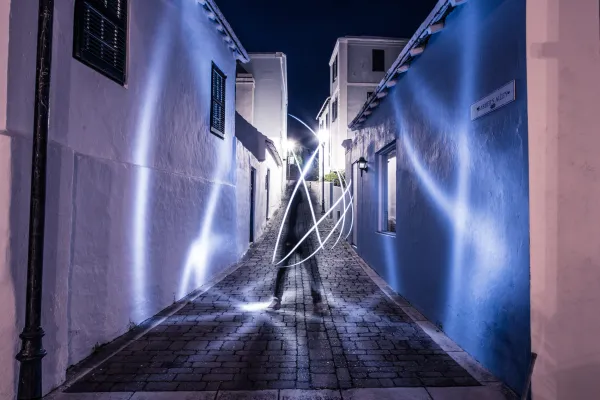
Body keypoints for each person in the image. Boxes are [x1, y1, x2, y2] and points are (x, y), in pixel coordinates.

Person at [269, 189, 326, 314]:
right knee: (283, 268)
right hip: (291, 238)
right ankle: (276, 299)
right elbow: (289, 216)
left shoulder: (309, 195)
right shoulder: (294, 193)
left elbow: (312, 216)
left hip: (305, 239)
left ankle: (317, 301)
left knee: (312, 270)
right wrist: (290, 235)